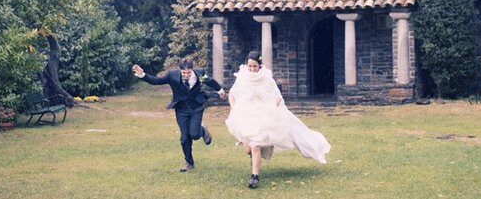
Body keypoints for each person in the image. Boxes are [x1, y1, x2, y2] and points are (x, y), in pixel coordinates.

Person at [225, 51, 331, 188]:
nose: (252, 70)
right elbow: (232, 94)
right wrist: (234, 108)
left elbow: (277, 96)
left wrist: (272, 110)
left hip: (262, 114)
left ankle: (254, 177)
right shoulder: (242, 77)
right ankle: (254, 156)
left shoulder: (267, 78)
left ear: (260, 66)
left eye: (255, 67)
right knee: (248, 149)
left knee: (255, 145)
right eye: (250, 66)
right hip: (246, 114)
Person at [132, 58, 226, 172]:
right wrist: (142, 74)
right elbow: (156, 81)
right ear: (180, 70)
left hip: (196, 107)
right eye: (184, 73)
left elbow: (209, 81)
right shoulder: (172, 75)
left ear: (192, 69)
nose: (186, 75)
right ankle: (189, 163)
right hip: (181, 110)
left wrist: (219, 89)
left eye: (188, 73)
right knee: (184, 138)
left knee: (194, 135)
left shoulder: (199, 74)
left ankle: (202, 129)